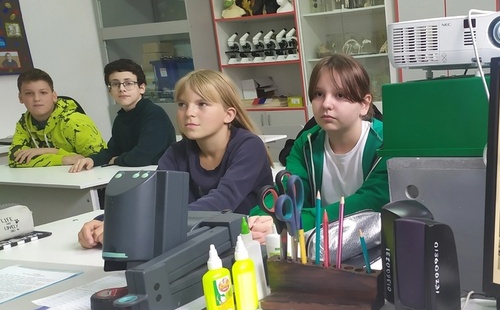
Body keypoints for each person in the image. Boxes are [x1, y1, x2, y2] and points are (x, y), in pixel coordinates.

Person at [78, 69, 274, 248]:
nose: (189, 113)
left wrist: (130, 224)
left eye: (202, 104)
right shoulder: (176, 152)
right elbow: (152, 198)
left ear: (228, 115)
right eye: (182, 104)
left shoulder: (249, 146)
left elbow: (222, 200)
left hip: (246, 245)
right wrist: (106, 220)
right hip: (195, 241)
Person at [249, 53, 388, 242]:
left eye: (340, 95)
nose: (326, 104)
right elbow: (287, 190)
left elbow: (369, 203)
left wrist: (293, 221)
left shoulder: (387, 143)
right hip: (319, 245)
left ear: (364, 104)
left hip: (374, 244)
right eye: (319, 94)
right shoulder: (306, 143)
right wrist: (262, 217)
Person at [69, 59, 176, 172]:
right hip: (135, 174)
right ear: (110, 91)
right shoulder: (121, 118)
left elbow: (142, 156)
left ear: (142, 88)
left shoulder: (154, 114)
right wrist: (92, 160)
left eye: (128, 83)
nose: (122, 89)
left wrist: (116, 160)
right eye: (115, 84)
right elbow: (112, 151)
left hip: (160, 175)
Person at [9, 68, 105, 167]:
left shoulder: (75, 121)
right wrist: (62, 158)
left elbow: (100, 159)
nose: (36, 99)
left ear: (54, 96)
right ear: (20, 98)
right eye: (29, 93)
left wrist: (52, 151)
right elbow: (14, 158)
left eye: (43, 93)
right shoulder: (24, 123)